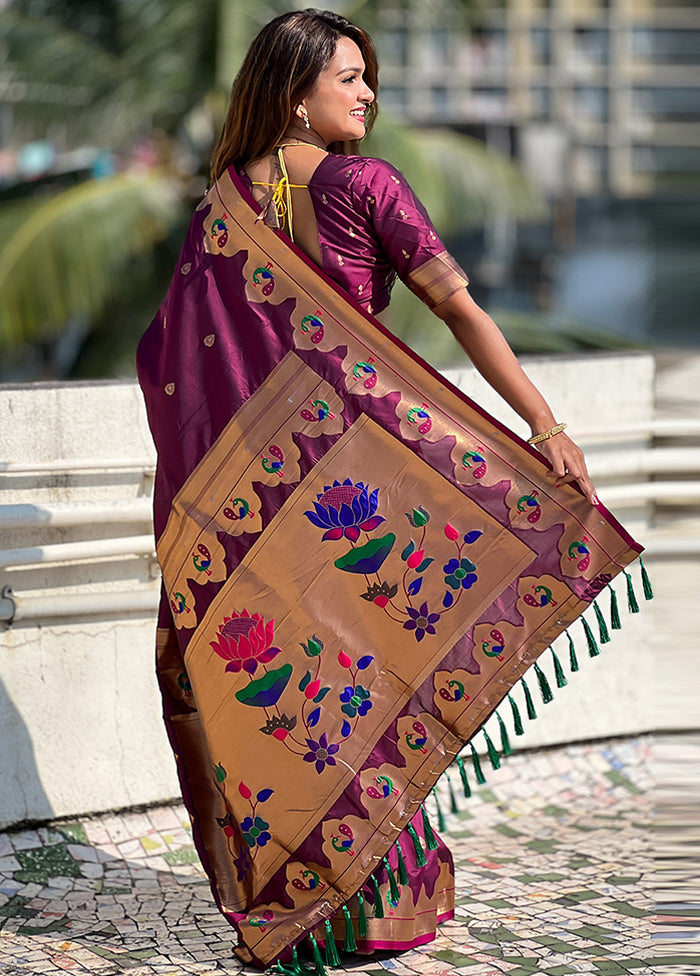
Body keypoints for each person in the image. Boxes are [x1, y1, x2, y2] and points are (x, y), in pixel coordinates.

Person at [137, 9, 644, 972]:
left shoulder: (217, 213)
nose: (368, 93)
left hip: (245, 501)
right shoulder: (363, 184)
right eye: (350, 76)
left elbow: (169, 365)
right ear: (296, 91)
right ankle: (371, 908)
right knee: (363, 681)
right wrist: (546, 427)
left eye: (368, 76)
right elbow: (458, 306)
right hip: (356, 488)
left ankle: (295, 906)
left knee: (293, 693)